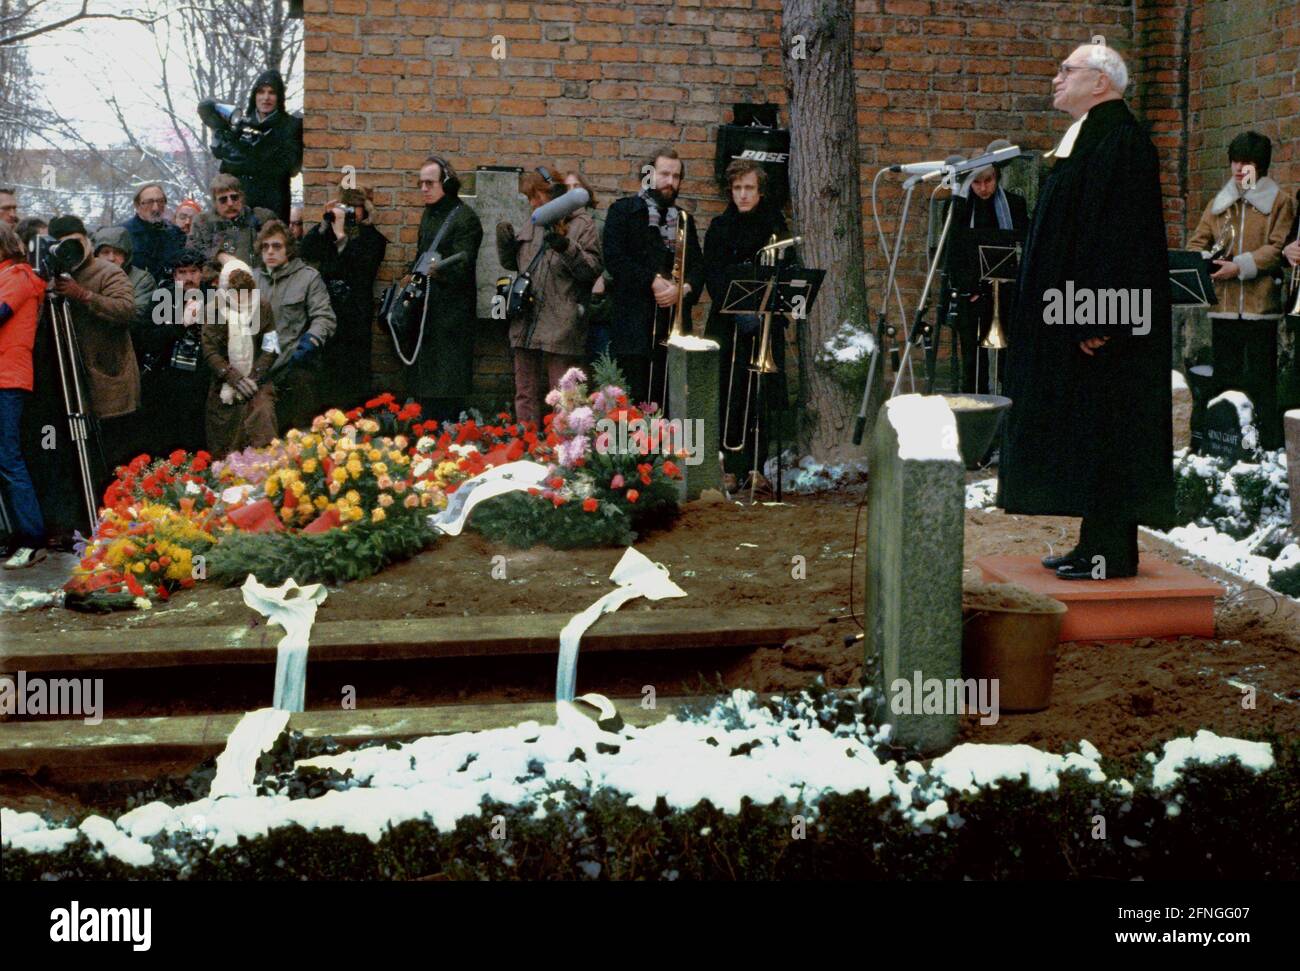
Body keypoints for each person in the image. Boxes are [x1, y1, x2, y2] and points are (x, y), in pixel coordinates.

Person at [997, 42, 1174, 581]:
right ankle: (1094, 546)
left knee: (1110, 431)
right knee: (1094, 433)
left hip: (1101, 322)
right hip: (1076, 315)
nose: (1056, 79)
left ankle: (1109, 555)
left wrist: (1099, 317)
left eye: (1066, 71)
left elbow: (1119, 237)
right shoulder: (1097, 136)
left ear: (1100, 81)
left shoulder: (1121, 141)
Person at [1187, 132, 1295, 452]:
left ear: (1260, 167)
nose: (1238, 168)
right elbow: (1197, 242)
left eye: (1245, 163)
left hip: (1260, 306)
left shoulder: (1280, 202)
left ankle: (1266, 446)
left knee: (1261, 380)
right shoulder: (1219, 203)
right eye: (1234, 161)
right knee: (1226, 377)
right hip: (1224, 304)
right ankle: (1224, 442)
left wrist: (1241, 265)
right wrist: (1208, 262)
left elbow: (1278, 248)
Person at [703, 158, 792, 482]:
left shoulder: (776, 227)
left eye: (749, 188)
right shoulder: (719, 227)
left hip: (765, 324)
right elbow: (713, 275)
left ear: (760, 191)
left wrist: (764, 312)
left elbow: (786, 275)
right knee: (730, 390)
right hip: (728, 324)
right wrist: (739, 309)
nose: (742, 194)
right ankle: (729, 464)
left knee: (761, 396)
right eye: (737, 188)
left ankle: (757, 467)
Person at [496, 165, 603, 425]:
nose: (532, 203)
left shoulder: (583, 224)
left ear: (552, 193)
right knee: (525, 393)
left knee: (564, 396)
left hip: (561, 318)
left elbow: (591, 270)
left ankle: (564, 453)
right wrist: (505, 242)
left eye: (536, 196)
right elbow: (516, 265)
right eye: (529, 198)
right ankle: (526, 446)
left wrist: (567, 247)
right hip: (528, 317)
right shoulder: (534, 220)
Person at [46, 215, 141, 493]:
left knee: (116, 458)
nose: (71, 250)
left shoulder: (108, 271)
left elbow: (127, 310)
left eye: (75, 243)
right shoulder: (51, 273)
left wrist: (83, 295)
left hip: (109, 379)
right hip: (69, 382)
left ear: (87, 240)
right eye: (63, 245)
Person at [602, 147, 704, 406]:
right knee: (632, 406)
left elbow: (698, 267)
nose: (671, 182)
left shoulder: (684, 219)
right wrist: (652, 280)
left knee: (672, 403)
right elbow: (614, 259)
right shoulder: (623, 211)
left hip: (673, 325)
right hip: (633, 327)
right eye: (665, 174)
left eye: (677, 176)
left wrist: (683, 289)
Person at [942, 138, 1029, 395]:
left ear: (997, 176)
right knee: (973, 360)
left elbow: (1023, 244)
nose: (983, 188)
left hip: (1006, 295)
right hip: (972, 295)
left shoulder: (1014, 205)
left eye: (988, 180)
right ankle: (975, 410)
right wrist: (970, 286)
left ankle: (1006, 410)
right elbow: (952, 253)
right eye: (977, 182)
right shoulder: (958, 206)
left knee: (1008, 360)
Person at [403, 155, 482, 422]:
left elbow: (464, 264)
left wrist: (439, 272)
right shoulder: (429, 215)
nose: (424, 188)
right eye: (420, 183)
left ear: (446, 184)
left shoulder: (465, 219)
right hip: (426, 313)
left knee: (447, 387)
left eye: (430, 183)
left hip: (451, 317)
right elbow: (421, 253)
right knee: (424, 386)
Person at [299, 187, 388, 412]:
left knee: (354, 373)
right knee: (327, 371)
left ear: (365, 211)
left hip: (355, 315)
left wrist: (342, 239)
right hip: (329, 311)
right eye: (345, 208)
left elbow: (362, 271)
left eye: (354, 209)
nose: (349, 214)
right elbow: (305, 250)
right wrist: (324, 224)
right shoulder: (328, 233)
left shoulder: (373, 239)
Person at [254, 219, 336, 432]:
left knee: (301, 422)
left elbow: (324, 317)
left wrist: (311, 340)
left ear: (289, 249)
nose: (270, 251)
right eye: (265, 246)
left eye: (277, 246)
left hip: (294, 362)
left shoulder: (308, 277)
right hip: (260, 367)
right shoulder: (251, 280)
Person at [0, 223, 48, 568]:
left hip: (7, 378)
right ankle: (17, 534)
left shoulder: (17, 276)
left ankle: (32, 538)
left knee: (9, 457)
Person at [202, 259, 278, 457]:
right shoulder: (213, 309)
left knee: (262, 414)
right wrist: (232, 377)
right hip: (224, 383)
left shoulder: (262, 306)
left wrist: (254, 377)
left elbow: (271, 346)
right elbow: (210, 351)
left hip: (257, 381)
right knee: (225, 431)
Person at [137, 248, 209, 455]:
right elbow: (147, 340)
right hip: (166, 379)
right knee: (166, 444)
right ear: (174, 275)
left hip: (201, 381)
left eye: (193, 271)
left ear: (202, 273)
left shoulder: (214, 298)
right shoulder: (162, 298)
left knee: (197, 441)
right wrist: (181, 323)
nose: (188, 278)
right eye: (182, 273)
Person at [210, 69, 302, 222]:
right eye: (261, 92)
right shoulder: (240, 125)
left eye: (272, 92)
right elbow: (226, 168)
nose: (266, 98)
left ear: (279, 97)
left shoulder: (291, 126)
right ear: (255, 96)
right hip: (239, 205)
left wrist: (249, 157)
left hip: (273, 204)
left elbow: (290, 166)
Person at [189, 174, 276, 268]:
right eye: (223, 200)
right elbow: (191, 254)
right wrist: (218, 255)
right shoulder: (202, 223)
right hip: (216, 279)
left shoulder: (262, 218)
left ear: (241, 197)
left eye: (234, 197)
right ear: (215, 202)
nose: (230, 204)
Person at [92, 226, 157, 343]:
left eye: (117, 252)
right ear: (97, 255)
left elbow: (136, 316)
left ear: (126, 256)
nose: (111, 258)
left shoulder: (142, 279)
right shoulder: (89, 276)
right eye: (105, 252)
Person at [121, 182, 187, 282]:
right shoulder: (123, 234)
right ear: (137, 206)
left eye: (160, 202)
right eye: (149, 202)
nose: (155, 208)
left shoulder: (175, 233)